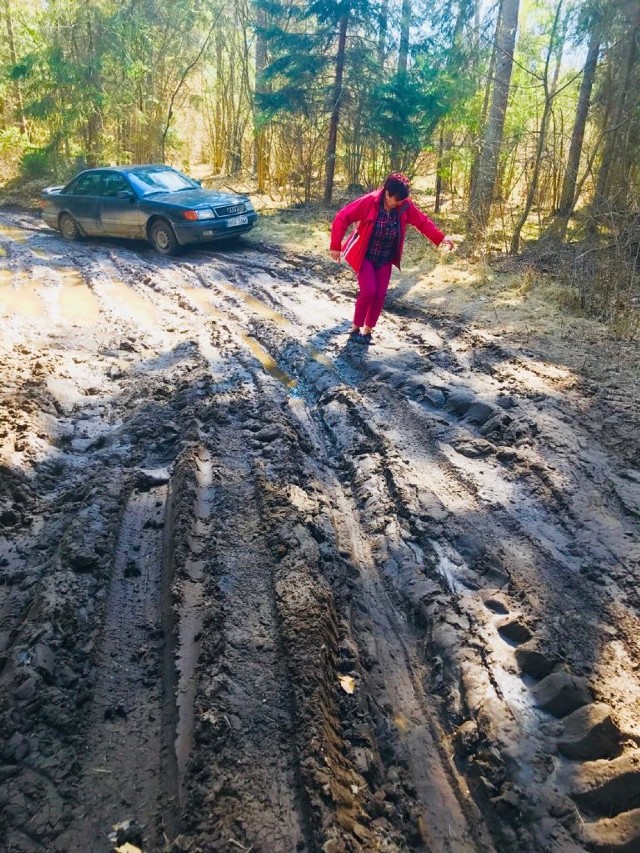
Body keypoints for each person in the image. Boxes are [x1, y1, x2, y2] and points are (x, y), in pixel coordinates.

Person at [329, 173, 454, 344]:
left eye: (402, 200)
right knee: (369, 291)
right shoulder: (369, 202)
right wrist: (335, 245)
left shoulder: (404, 206)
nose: (399, 203)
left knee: (380, 294)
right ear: (387, 193)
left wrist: (440, 238)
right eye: (396, 200)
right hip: (364, 254)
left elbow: (422, 222)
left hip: (385, 256)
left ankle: (368, 331)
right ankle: (356, 328)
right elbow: (342, 217)